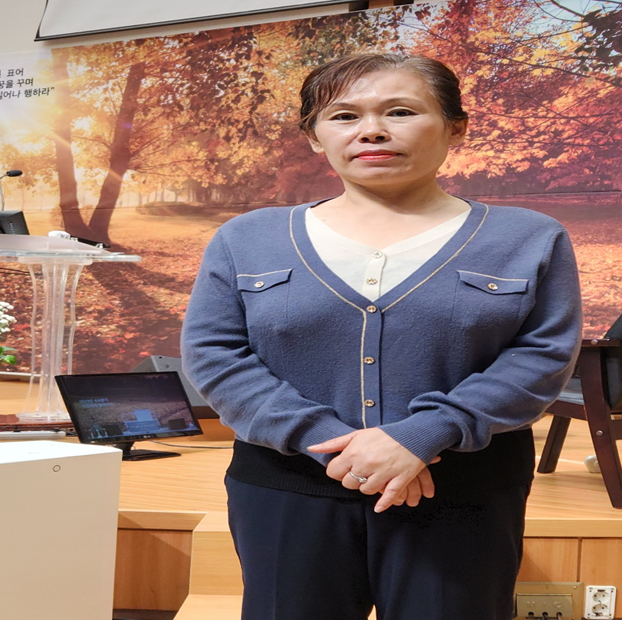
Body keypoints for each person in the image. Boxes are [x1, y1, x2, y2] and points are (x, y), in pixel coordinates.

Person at [181, 53, 582, 620]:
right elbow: (215, 355)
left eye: (400, 111)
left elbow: (542, 356)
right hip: (288, 487)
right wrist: (331, 443)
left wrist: (420, 436)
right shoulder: (246, 238)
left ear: (456, 128)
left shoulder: (529, 237)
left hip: (460, 491)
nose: (371, 130)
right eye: (344, 116)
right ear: (314, 136)